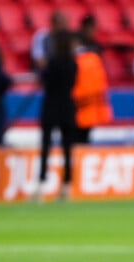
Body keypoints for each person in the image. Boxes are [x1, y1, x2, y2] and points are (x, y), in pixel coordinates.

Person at [37, 30, 78, 201]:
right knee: (67, 148)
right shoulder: (73, 63)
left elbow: (44, 81)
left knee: (46, 147)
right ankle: (67, 185)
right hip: (67, 106)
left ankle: (41, 184)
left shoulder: (52, 63)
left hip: (51, 106)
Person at [72, 34, 112, 142]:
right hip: (93, 109)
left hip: (78, 109)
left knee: (77, 142)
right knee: (84, 139)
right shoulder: (94, 59)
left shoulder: (75, 60)